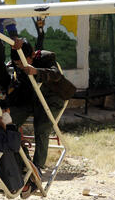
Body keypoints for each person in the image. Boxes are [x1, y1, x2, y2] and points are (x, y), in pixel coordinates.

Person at [8, 40, 76, 170]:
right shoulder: (15, 64)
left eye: (23, 63)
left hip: (52, 99)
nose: (21, 66)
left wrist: (36, 71)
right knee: (9, 121)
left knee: (41, 128)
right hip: (30, 99)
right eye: (18, 64)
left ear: (32, 55)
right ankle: (22, 161)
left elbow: (56, 74)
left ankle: (37, 168)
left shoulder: (45, 57)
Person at [0, 100, 41, 198]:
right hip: (3, 181)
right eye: (4, 115)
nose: (6, 117)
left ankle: (29, 174)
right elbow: (13, 146)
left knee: (19, 148)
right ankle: (26, 187)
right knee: (20, 152)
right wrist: (9, 124)